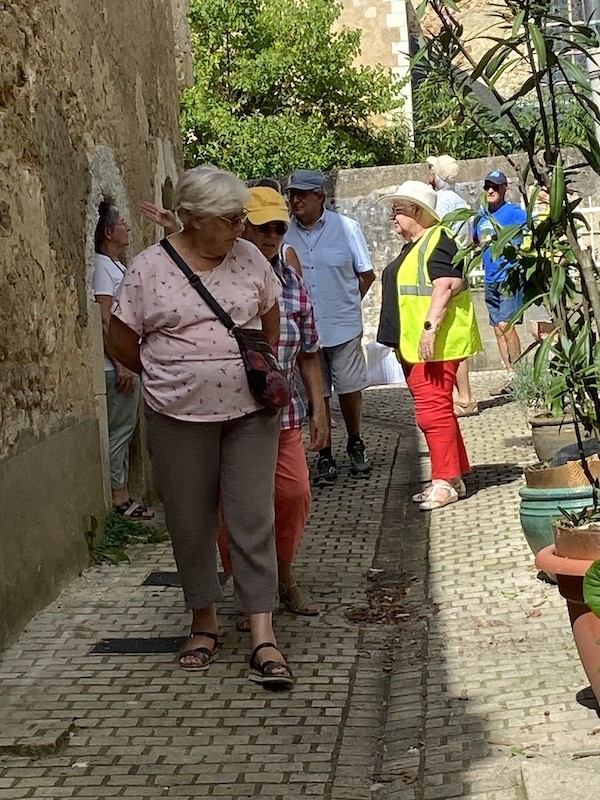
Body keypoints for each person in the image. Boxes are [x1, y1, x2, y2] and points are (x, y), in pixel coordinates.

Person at [108, 165, 294, 689]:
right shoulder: (147, 270)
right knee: (190, 520)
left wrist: (249, 370)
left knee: (251, 517)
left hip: (250, 414)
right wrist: (175, 374)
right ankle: (203, 621)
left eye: (240, 218)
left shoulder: (250, 257)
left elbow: (268, 320)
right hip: (176, 415)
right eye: (227, 219)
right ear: (190, 220)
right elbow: (121, 341)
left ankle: (262, 631)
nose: (238, 228)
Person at [215, 187, 328, 627]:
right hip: (233, 413)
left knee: (294, 495)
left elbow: (309, 352)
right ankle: (249, 592)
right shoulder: (222, 277)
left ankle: (283, 577)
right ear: (243, 227)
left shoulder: (292, 282)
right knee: (237, 506)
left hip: (285, 414)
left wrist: (321, 411)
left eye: (279, 227)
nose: (271, 235)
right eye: (262, 226)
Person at [376, 181, 482, 510]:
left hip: (433, 347)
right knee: (436, 411)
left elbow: (447, 284)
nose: (392, 217)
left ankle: (444, 480)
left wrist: (429, 328)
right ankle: (453, 476)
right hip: (415, 347)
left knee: (431, 413)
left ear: (418, 211)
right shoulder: (418, 245)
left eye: (398, 210)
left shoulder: (438, 240)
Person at [284, 169, 376, 487]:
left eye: (303, 194)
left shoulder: (346, 227)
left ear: (320, 198)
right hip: (305, 330)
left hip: (342, 324)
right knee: (317, 393)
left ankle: (355, 440)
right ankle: (324, 454)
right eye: (292, 194)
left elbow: (366, 274)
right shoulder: (283, 233)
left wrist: (348, 302)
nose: (295, 200)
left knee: (349, 387)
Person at [92, 201, 154, 520]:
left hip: (127, 361)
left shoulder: (116, 265)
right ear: (107, 232)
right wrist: (121, 363)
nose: (128, 226)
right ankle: (119, 497)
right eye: (122, 223)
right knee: (119, 431)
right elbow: (105, 319)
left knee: (126, 429)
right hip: (115, 366)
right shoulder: (102, 266)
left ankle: (125, 492)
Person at [427, 155, 478, 417]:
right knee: (457, 336)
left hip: (447, 271)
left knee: (449, 339)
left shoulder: (442, 203)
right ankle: (463, 396)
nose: (428, 174)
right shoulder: (461, 201)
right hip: (462, 270)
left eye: (430, 170)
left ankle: (464, 397)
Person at [473, 169, 527, 395]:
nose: (490, 190)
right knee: (497, 329)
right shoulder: (480, 217)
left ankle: (520, 376)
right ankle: (509, 375)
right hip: (490, 279)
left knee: (506, 325)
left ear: (505, 189)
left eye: (495, 186)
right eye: (487, 186)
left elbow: (533, 237)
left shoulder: (515, 214)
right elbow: (475, 243)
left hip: (509, 277)